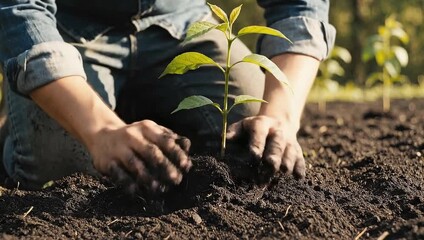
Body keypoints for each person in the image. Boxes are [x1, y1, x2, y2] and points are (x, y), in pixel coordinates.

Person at [0, 0, 335, 191]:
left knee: (251, 143)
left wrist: (281, 114)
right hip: (64, 28)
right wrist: (99, 130)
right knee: (64, 166)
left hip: (182, 23)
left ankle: (132, 113)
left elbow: (297, 5)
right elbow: (18, 11)